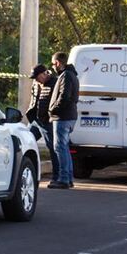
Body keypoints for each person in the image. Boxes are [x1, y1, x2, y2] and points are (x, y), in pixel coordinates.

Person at [48, 52, 79, 189]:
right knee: (64, 147)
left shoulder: (66, 75)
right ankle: (68, 178)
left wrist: (53, 109)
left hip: (63, 116)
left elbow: (64, 96)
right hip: (69, 116)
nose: (52, 67)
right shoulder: (71, 75)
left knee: (60, 147)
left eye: (53, 64)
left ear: (58, 63)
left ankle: (64, 179)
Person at [26, 63, 58, 184]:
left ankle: (57, 176)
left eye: (37, 77)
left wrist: (52, 114)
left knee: (53, 148)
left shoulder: (54, 83)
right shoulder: (36, 83)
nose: (36, 80)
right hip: (35, 120)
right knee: (26, 142)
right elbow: (34, 100)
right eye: (34, 78)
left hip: (47, 120)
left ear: (44, 74)